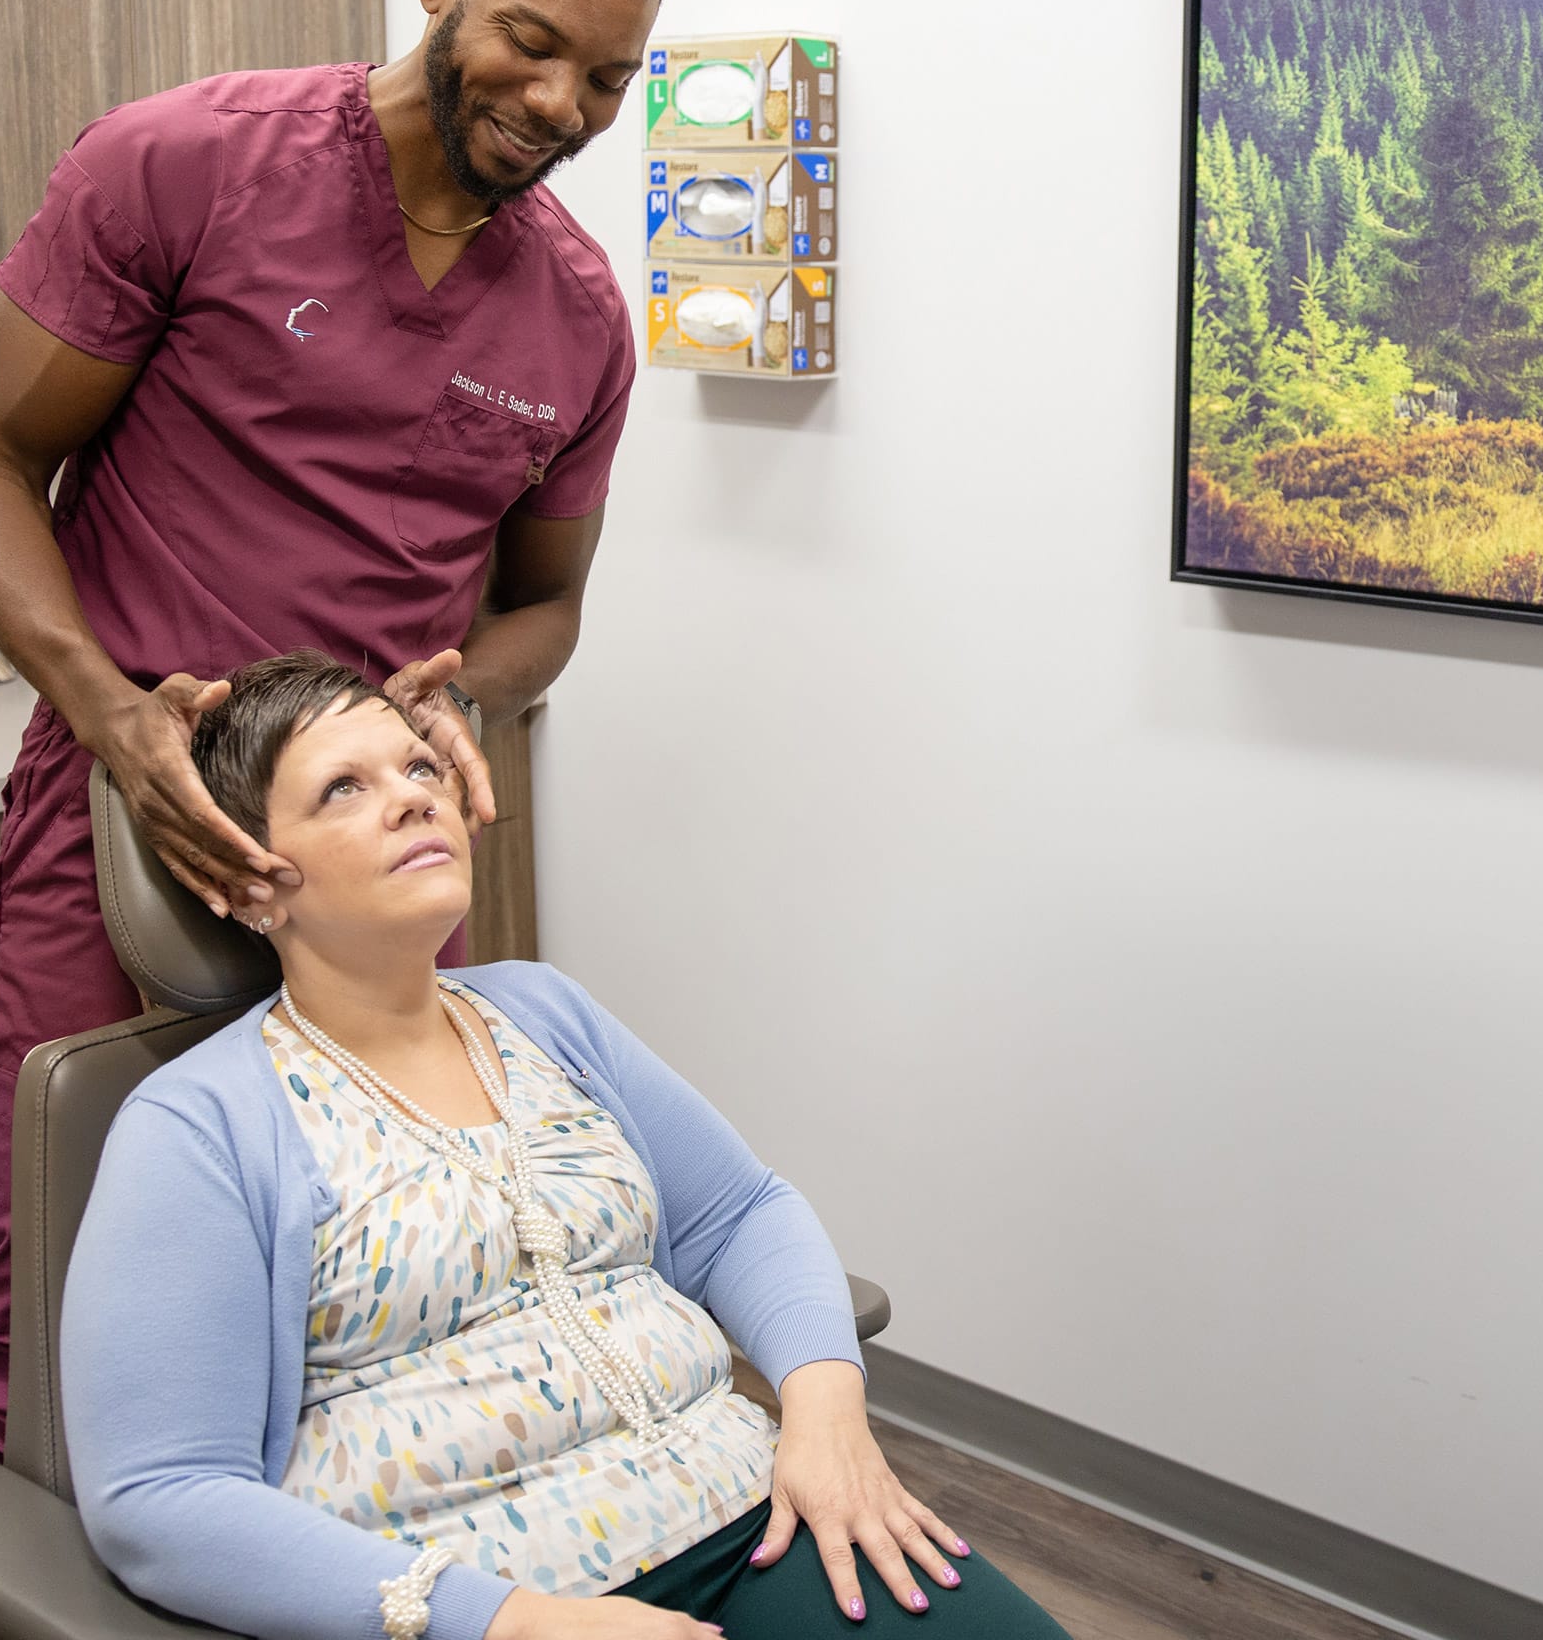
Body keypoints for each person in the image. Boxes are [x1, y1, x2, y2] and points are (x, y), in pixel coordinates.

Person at [0, 0, 700, 1470]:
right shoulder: (188, 166)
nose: (561, 104)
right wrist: (107, 707)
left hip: (369, 857)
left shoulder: (573, 318)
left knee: (377, 1284)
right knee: (63, 1292)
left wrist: (464, 693)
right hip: (124, 819)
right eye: (531, 41)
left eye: (609, 80)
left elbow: (545, 609)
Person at [60, 654, 1074, 1640]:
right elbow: (160, 1492)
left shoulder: (541, 1011)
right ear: (245, 878)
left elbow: (739, 1213)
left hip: (760, 1511)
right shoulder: (199, 1124)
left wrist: (824, 1412)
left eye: (418, 765)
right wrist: (507, 1618)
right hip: (483, 1596)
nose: (417, 796)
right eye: (343, 788)